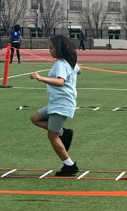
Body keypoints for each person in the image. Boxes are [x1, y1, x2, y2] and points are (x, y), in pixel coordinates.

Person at [30, 34, 80, 176]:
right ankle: (64, 132)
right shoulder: (69, 63)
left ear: (59, 49)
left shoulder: (61, 64)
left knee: (52, 136)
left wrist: (41, 78)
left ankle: (69, 166)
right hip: (57, 103)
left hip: (62, 104)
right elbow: (78, 69)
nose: (49, 50)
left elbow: (60, 82)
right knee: (35, 118)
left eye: (51, 47)